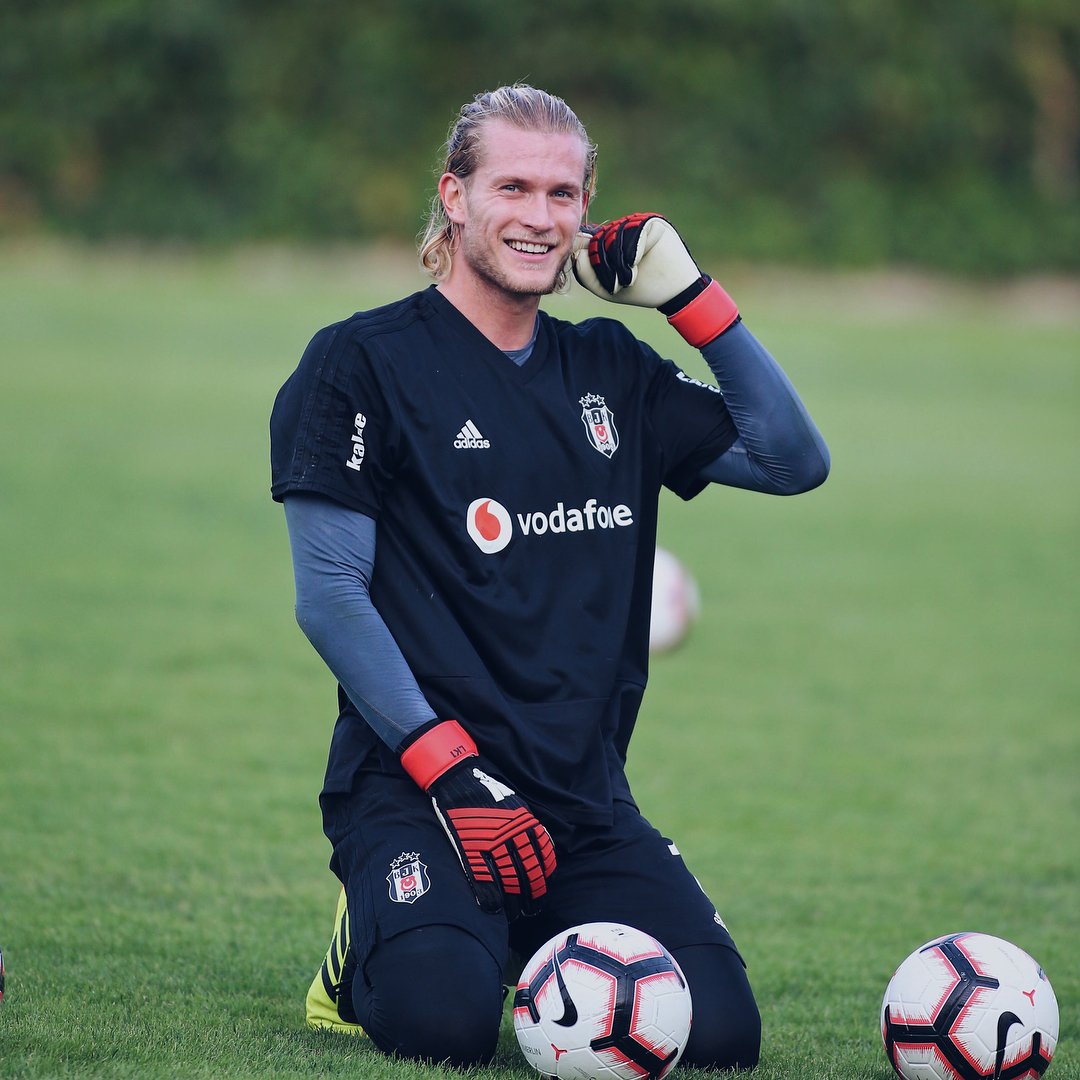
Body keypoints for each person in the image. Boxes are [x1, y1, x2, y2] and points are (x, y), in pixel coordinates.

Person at [270, 83, 829, 1071]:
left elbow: (793, 461)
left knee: (720, 1038)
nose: (539, 216)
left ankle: (511, 932)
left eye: (563, 194)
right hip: (419, 785)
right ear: (454, 197)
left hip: (580, 800)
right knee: (442, 1027)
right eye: (513, 187)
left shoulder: (612, 368)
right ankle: (364, 948)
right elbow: (330, 594)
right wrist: (449, 770)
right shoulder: (358, 363)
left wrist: (691, 298)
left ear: (586, 213)